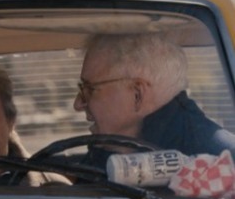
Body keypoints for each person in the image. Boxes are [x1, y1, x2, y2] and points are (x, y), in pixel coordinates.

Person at [74, 32, 235, 169]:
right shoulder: (114, 146)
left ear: (137, 94)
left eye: (90, 89)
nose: (78, 104)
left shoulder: (219, 162)